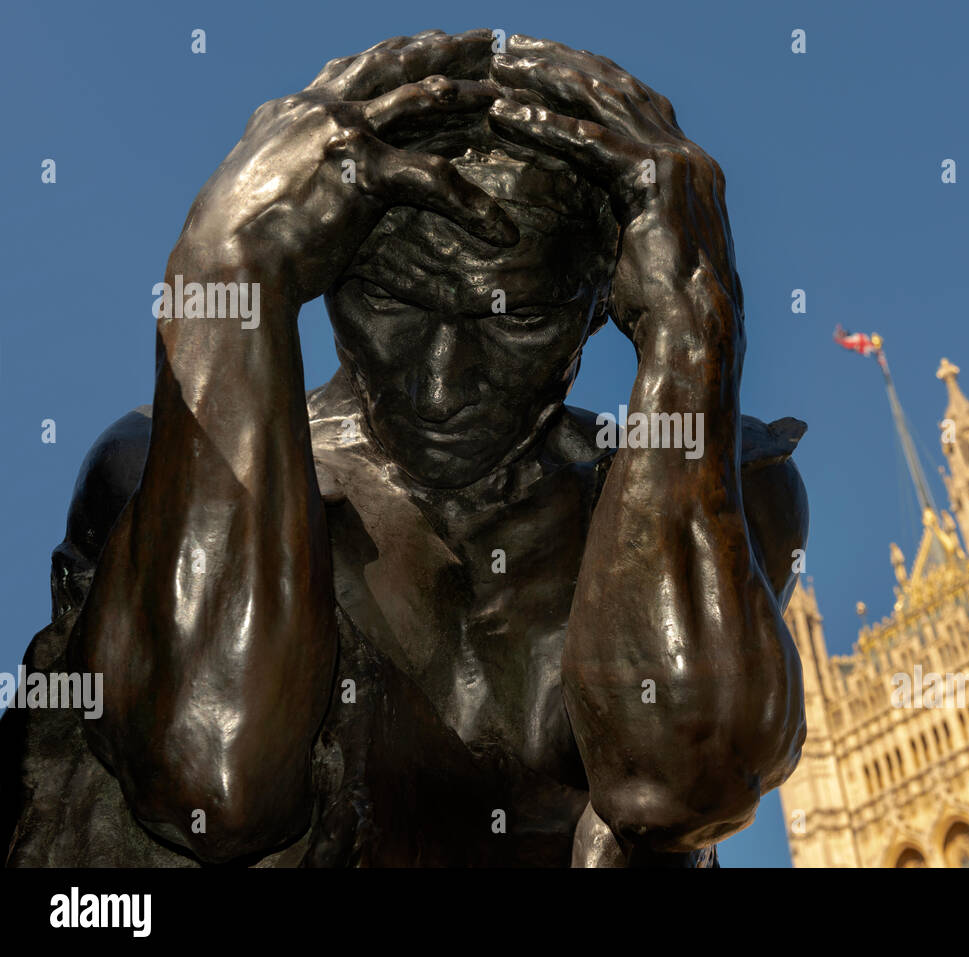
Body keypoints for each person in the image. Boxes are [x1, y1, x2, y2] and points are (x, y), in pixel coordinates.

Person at [2, 29, 809, 867]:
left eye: (517, 321)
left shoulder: (720, 488)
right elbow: (211, 778)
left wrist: (693, 327)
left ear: (603, 303)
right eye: (391, 305)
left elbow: (683, 787)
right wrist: (222, 266)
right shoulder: (154, 467)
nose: (440, 387)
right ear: (321, 274)